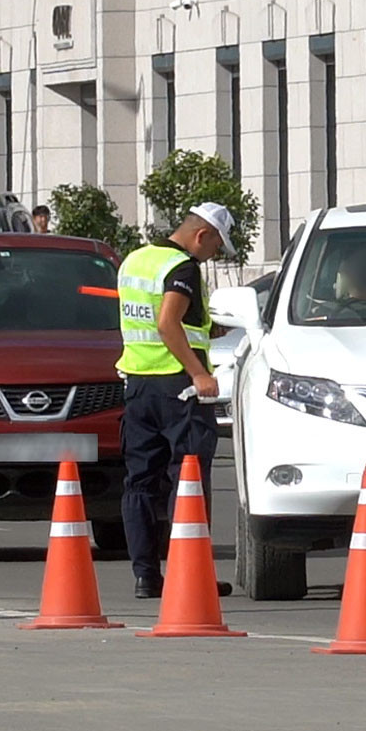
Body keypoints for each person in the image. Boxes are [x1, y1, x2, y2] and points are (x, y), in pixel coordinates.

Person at [116, 202, 235, 599]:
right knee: (189, 479)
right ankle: (192, 574)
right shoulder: (182, 267)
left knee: (140, 483)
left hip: (138, 386)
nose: (214, 255)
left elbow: (156, 321)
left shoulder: (135, 260)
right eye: (216, 246)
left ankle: (145, 577)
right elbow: (167, 322)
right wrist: (200, 373)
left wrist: (207, 328)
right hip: (179, 390)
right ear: (202, 236)